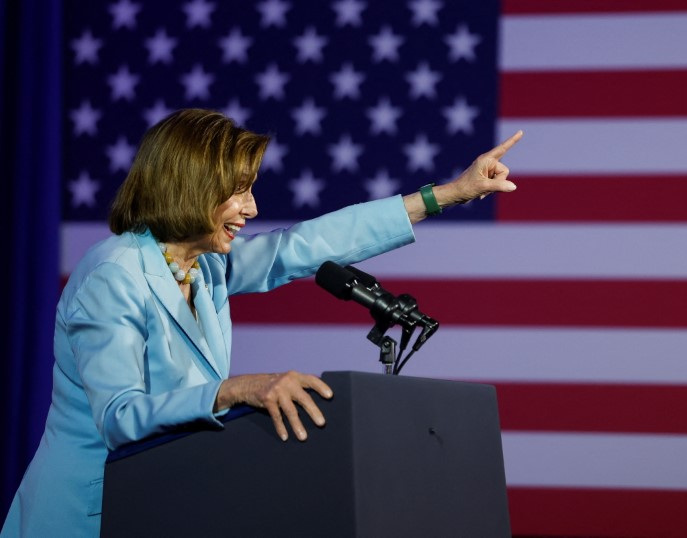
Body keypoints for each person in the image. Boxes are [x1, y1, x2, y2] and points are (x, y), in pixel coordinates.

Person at [1, 108, 522, 536]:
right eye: (239, 190)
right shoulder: (111, 277)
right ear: (190, 186)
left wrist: (447, 194)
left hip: (158, 504)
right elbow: (119, 416)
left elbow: (307, 245)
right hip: (85, 519)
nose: (252, 207)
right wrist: (237, 390)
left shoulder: (206, 265)